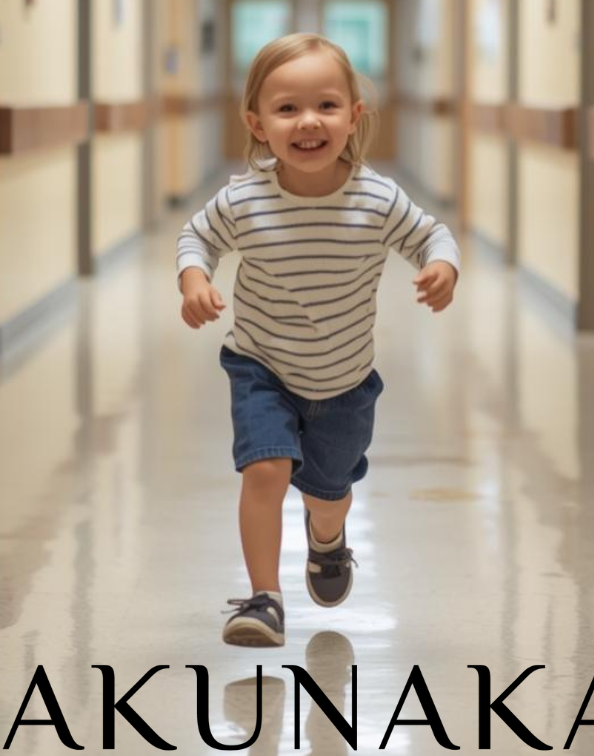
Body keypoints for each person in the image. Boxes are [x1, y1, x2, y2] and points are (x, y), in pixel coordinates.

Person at [176, 33, 460, 647]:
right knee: (265, 470)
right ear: (257, 123)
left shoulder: (377, 199)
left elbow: (433, 235)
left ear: (354, 115)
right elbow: (195, 238)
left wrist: (442, 267)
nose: (308, 121)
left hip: (344, 382)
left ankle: (326, 538)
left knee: (328, 495)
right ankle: (263, 599)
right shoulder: (244, 198)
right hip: (260, 365)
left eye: (327, 105)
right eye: (287, 109)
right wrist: (194, 279)